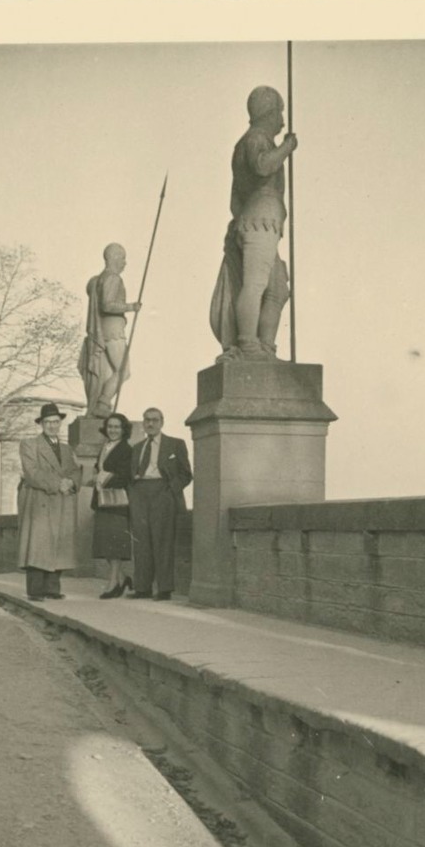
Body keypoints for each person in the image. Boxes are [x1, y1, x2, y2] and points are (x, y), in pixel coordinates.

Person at [209, 85, 298, 360]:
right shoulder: (255, 138)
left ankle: (265, 347)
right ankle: (248, 344)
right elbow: (262, 166)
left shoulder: (252, 140)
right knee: (257, 283)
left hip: (261, 218)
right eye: (280, 113)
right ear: (268, 112)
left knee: (278, 288)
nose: (283, 121)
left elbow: (235, 197)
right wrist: (287, 147)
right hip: (260, 219)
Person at [17, 403, 81, 601]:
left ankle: (52, 588)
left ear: (60, 423)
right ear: (41, 424)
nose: (52, 425)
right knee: (38, 545)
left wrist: (71, 482)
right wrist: (58, 484)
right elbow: (32, 472)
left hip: (61, 501)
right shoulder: (29, 444)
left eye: (55, 421)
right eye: (48, 422)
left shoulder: (66, 448)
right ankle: (36, 590)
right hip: (41, 500)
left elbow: (76, 470)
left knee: (58, 545)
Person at [127, 407, 193, 601]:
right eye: (147, 420)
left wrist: (170, 490)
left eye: (155, 420)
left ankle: (164, 589)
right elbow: (131, 472)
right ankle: (142, 588)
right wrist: (134, 489)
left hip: (163, 493)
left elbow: (186, 474)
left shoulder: (175, 444)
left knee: (163, 541)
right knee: (141, 542)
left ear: (162, 422)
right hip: (140, 493)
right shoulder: (137, 448)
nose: (150, 424)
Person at [78, 243, 141, 418]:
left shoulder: (98, 280)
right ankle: (103, 403)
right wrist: (131, 307)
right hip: (113, 332)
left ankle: (101, 403)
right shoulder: (113, 278)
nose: (125, 263)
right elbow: (107, 304)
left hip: (105, 332)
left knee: (111, 371)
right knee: (123, 371)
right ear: (113, 258)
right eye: (123, 258)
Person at [89, 413, 134, 599]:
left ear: (124, 430)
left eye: (117, 427)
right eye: (110, 426)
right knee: (105, 543)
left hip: (117, 502)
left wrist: (101, 477)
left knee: (114, 544)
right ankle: (123, 578)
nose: (113, 430)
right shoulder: (105, 447)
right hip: (102, 500)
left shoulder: (126, 449)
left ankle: (113, 582)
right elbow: (98, 468)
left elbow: (125, 475)